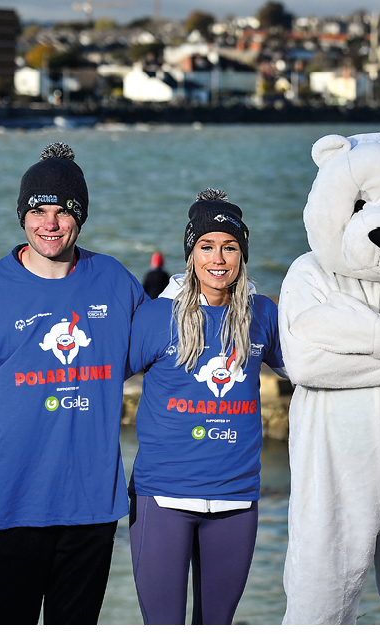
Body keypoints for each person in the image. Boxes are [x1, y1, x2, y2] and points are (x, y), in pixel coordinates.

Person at [0, 142, 148, 624]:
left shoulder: (114, 281)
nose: (49, 224)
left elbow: (166, 348)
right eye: (37, 211)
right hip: (7, 504)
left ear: (81, 217)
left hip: (92, 506)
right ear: (21, 215)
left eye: (61, 212)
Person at [126, 188, 284, 624]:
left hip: (236, 497)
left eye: (230, 247)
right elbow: (98, 379)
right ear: (190, 254)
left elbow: (314, 369)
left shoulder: (262, 315)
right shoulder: (158, 317)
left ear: (242, 255)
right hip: (164, 497)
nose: (219, 258)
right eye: (207, 246)